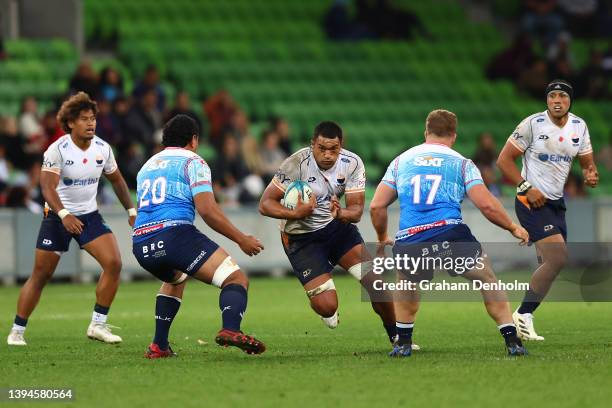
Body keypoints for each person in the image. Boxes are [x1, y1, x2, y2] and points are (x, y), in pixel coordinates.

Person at [370, 109, 529, 357]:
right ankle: (512, 341)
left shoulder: (401, 162)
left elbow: (377, 206)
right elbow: (486, 204)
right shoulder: (462, 163)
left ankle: (403, 343)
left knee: (407, 284)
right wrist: (513, 226)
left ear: (426, 132)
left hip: (411, 238)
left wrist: (381, 237)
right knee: (487, 279)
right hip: (449, 233)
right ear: (453, 136)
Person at [7, 92, 136, 346]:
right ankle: (17, 330)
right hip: (57, 217)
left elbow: (118, 180)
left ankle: (97, 325)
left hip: (89, 216)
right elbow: (47, 187)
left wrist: (131, 210)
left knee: (114, 263)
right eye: (84, 119)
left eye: (93, 119)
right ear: (70, 123)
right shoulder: (57, 150)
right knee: (41, 275)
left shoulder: (102, 148)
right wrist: (64, 214)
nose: (91, 124)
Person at [131, 114, 265, 358]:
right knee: (235, 279)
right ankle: (231, 329)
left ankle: (159, 345)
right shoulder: (194, 162)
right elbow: (208, 210)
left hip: (141, 243)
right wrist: (241, 239)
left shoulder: (146, 166)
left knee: (176, 279)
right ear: (194, 140)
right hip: (174, 234)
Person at [259, 121, 401, 347]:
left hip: (337, 230)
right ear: (312, 144)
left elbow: (355, 212)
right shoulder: (296, 163)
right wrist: (295, 213)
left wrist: (341, 212)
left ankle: (398, 338)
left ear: (341, 146)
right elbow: (265, 204)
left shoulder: (352, 163)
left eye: (333, 149)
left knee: (377, 284)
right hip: (301, 239)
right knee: (327, 305)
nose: (327, 155)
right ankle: (326, 308)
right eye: (321, 148)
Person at [497, 79, 599, 341]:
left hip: (556, 202)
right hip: (530, 200)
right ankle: (523, 314)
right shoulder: (532, 124)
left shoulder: (579, 126)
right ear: (546, 100)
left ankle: (525, 317)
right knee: (558, 258)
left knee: (549, 262)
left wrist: (590, 173)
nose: (557, 100)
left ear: (570, 101)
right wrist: (526, 186)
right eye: (552, 96)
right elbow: (503, 160)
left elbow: (586, 161)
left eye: (562, 97)